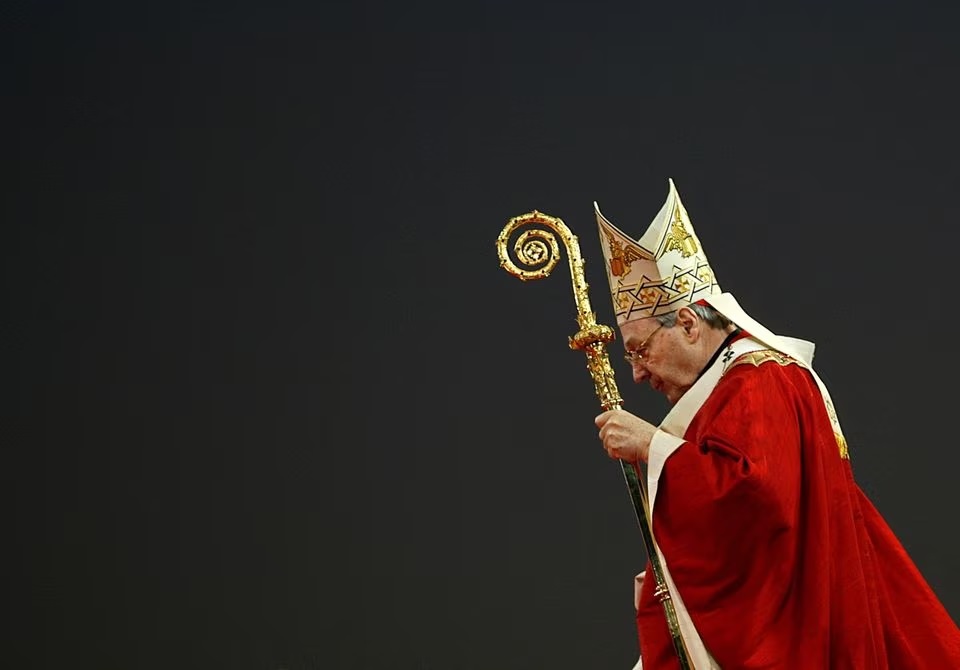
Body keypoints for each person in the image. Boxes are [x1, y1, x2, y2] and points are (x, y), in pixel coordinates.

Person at [591, 179, 960, 669]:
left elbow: (756, 499)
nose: (636, 372)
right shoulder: (728, 386)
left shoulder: (759, 381)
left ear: (686, 323)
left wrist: (652, 446)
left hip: (797, 636)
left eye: (639, 349)